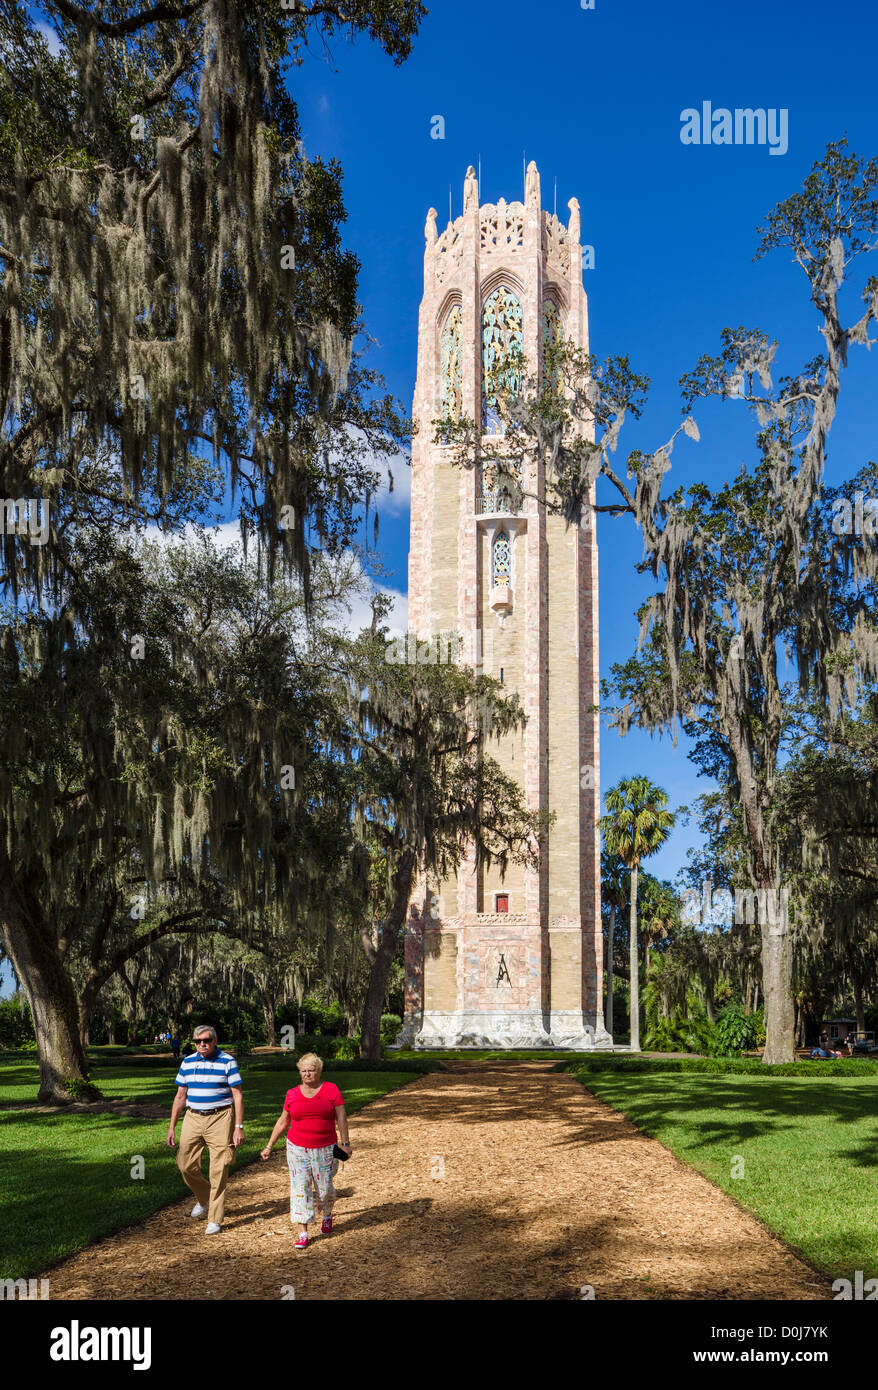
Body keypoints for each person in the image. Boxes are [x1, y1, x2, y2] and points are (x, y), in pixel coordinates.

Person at [260, 1052, 352, 1250]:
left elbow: (342, 1118)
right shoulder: (292, 1094)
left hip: (325, 1148)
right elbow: (284, 1120)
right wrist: (269, 1145)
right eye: (303, 1071)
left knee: (325, 1188)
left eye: (311, 1070)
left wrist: (345, 1143)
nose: (307, 1074)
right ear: (299, 1072)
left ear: (319, 1071)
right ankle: (303, 1232)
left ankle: (326, 1214)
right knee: (300, 1187)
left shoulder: (331, 1090)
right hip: (297, 1147)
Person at [165, 1024, 245, 1235]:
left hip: (220, 1117)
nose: (202, 1045)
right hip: (193, 1116)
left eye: (206, 1040)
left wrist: (239, 1127)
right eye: (198, 1041)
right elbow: (180, 1096)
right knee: (184, 1164)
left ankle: (215, 1219)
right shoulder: (188, 1062)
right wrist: (172, 1126)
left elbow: (237, 1095)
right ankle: (204, 1197)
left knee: (219, 1168)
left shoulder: (227, 1061)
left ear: (215, 1040)